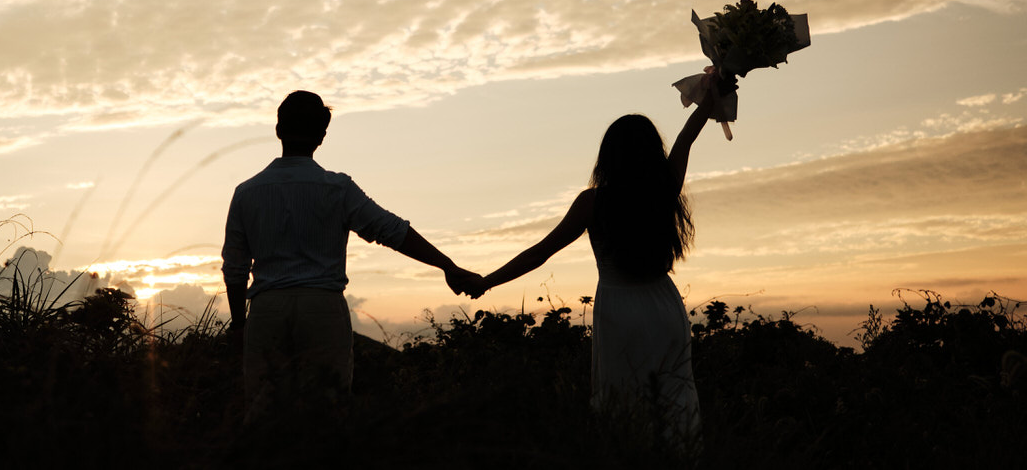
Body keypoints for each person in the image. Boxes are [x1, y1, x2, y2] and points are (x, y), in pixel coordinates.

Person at [463, 80, 728, 445]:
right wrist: (720, 82)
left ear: (609, 156)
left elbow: (540, 253)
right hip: (663, 307)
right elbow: (687, 136)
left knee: (623, 404)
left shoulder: (593, 203)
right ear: (652, 152)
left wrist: (486, 281)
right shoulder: (663, 188)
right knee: (674, 399)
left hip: (619, 311)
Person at [221, 90, 478, 419]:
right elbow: (392, 230)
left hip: (267, 310)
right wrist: (448, 265)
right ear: (322, 136)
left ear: (278, 130)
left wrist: (240, 326)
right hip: (322, 309)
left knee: (264, 413)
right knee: (327, 413)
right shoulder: (337, 189)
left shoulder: (246, 192)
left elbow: (235, 268)